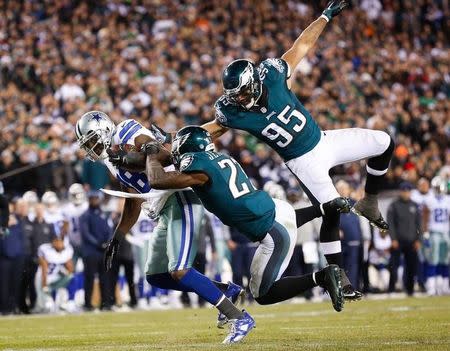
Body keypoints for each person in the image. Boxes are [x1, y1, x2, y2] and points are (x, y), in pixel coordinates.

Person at [152, 0, 394, 300]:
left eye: (241, 92)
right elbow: (210, 129)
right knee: (331, 211)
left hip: (324, 139)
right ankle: (339, 278)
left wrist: (324, 16)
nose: (239, 99)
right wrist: (174, 139)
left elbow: (302, 46)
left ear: (253, 82)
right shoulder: (233, 111)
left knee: (384, 142)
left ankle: (370, 201)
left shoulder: (273, 74)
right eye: (234, 95)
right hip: (303, 161)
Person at [115, 126, 351, 343]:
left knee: (263, 294)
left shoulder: (199, 170)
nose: (177, 156)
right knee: (279, 219)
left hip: (272, 233)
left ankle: (321, 277)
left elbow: (157, 179)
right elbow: (175, 160)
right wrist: (139, 154)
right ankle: (324, 208)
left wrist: (152, 154)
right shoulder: (222, 159)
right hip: (278, 210)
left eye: (180, 151)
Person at [75, 111, 253, 344]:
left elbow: (160, 153)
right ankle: (226, 291)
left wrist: (128, 158)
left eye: (91, 140)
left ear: (104, 130)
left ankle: (239, 318)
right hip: (162, 209)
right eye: (86, 144)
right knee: (156, 277)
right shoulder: (111, 160)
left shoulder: (125, 131)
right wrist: (117, 236)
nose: (90, 147)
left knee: (179, 269)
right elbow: (133, 199)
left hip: (180, 197)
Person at [79, 190, 113, 310]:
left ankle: (106, 304)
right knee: (89, 278)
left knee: (105, 278)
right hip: (91, 252)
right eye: (92, 199)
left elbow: (110, 230)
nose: (94, 201)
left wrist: (107, 242)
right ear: (89, 200)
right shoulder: (84, 216)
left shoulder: (104, 214)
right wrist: (98, 243)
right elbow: (85, 233)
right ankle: (88, 304)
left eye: (96, 198)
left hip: (102, 251)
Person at [387, 182, 422, 295]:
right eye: (404, 191)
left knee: (412, 266)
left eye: (408, 191)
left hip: (412, 241)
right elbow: (390, 223)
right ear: (400, 191)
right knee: (394, 265)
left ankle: (410, 290)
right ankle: (391, 289)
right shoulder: (394, 205)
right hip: (398, 241)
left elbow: (419, 224)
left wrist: (418, 240)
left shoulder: (415, 205)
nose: (406, 193)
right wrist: (393, 239)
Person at [422, 176, 449, 295]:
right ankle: (432, 287)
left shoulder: (448, 199)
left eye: (440, 187)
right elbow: (425, 217)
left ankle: (444, 286)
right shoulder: (429, 199)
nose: (439, 189)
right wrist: (426, 233)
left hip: (446, 232)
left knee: (446, 260)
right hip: (434, 232)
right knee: (433, 259)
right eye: (437, 187)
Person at [34, 233, 74, 313]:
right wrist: (44, 285)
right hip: (42, 277)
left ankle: (64, 303)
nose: (59, 244)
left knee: (70, 277)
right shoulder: (45, 249)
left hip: (55, 277)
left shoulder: (67, 250)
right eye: (57, 241)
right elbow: (44, 268)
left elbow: (70, 268)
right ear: (53, 242)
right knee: (46, 306)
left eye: (61, 241)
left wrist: (64, 273)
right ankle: (42, 306)